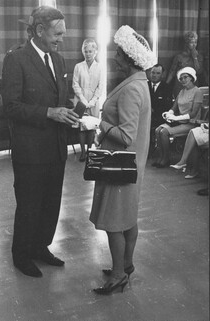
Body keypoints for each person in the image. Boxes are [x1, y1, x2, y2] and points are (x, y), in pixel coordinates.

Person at [0, 6, 80, 277]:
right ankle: (21, 255)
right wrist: (48, 112)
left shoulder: (58, 60)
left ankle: (40, 247)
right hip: (30, 152)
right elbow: (10, 106)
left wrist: (71, 113)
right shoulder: (16, 59)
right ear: (40, 30)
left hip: (56, 148)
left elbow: (62, 99)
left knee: (50, 204)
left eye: (63, 33)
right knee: (30, 205)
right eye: (58, 33)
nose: (62, 39)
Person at [89, 25, 157, 295]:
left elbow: (126, 135)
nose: (115, 57)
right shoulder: (139, 82)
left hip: (120, 165)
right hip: (132, 166)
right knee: (128, 218)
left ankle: (118, 275)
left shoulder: (131, 89)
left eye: (118, 54)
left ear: (129, 59)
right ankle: (126, 264)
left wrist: (101, 124)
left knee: (115, 222)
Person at [152, 67, 203, 167]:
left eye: (185, 77)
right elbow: (174, 107)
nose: (183, 80)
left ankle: (166, 159)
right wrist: (169, 113)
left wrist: (176, 118)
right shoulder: (181, 91)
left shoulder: (197, 92)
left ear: (192, 78)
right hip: (180, 122)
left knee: (164, 132)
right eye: (181, 78)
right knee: (158, 130)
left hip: (191, 124)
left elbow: (193, 114)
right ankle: (161, 157)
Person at [72, 38, 104, 161]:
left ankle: (90, 150)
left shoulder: (100, 67)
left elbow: (100, 86)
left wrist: (93, 101)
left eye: (90, 51)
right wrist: (83, 99)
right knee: (81, 126)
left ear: (95, 52)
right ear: (83, 52)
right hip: (80, 100)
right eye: (86, 51)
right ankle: (83, 152)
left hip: (94, 102)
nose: (88, 54)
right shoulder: (78, 66)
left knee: (91, 126)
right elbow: (75, 84)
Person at [166, 31, 204, 98]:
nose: (194, 44)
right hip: (180, 86)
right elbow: (172, 72)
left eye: (195, 42)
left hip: (193, 86)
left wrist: (195, 58)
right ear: (187, 43)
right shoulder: (179, 57)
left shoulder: (199, 57)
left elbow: (199, 71)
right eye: (191, 42)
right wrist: (165, 85)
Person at [147, 64, 173, 149]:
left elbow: (167, 106)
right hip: (144, 115)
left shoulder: (167, 88)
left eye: (157, 73)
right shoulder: (144, 86)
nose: (154, 75)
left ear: (162, 75)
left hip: (159, 117)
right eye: (153, 72)